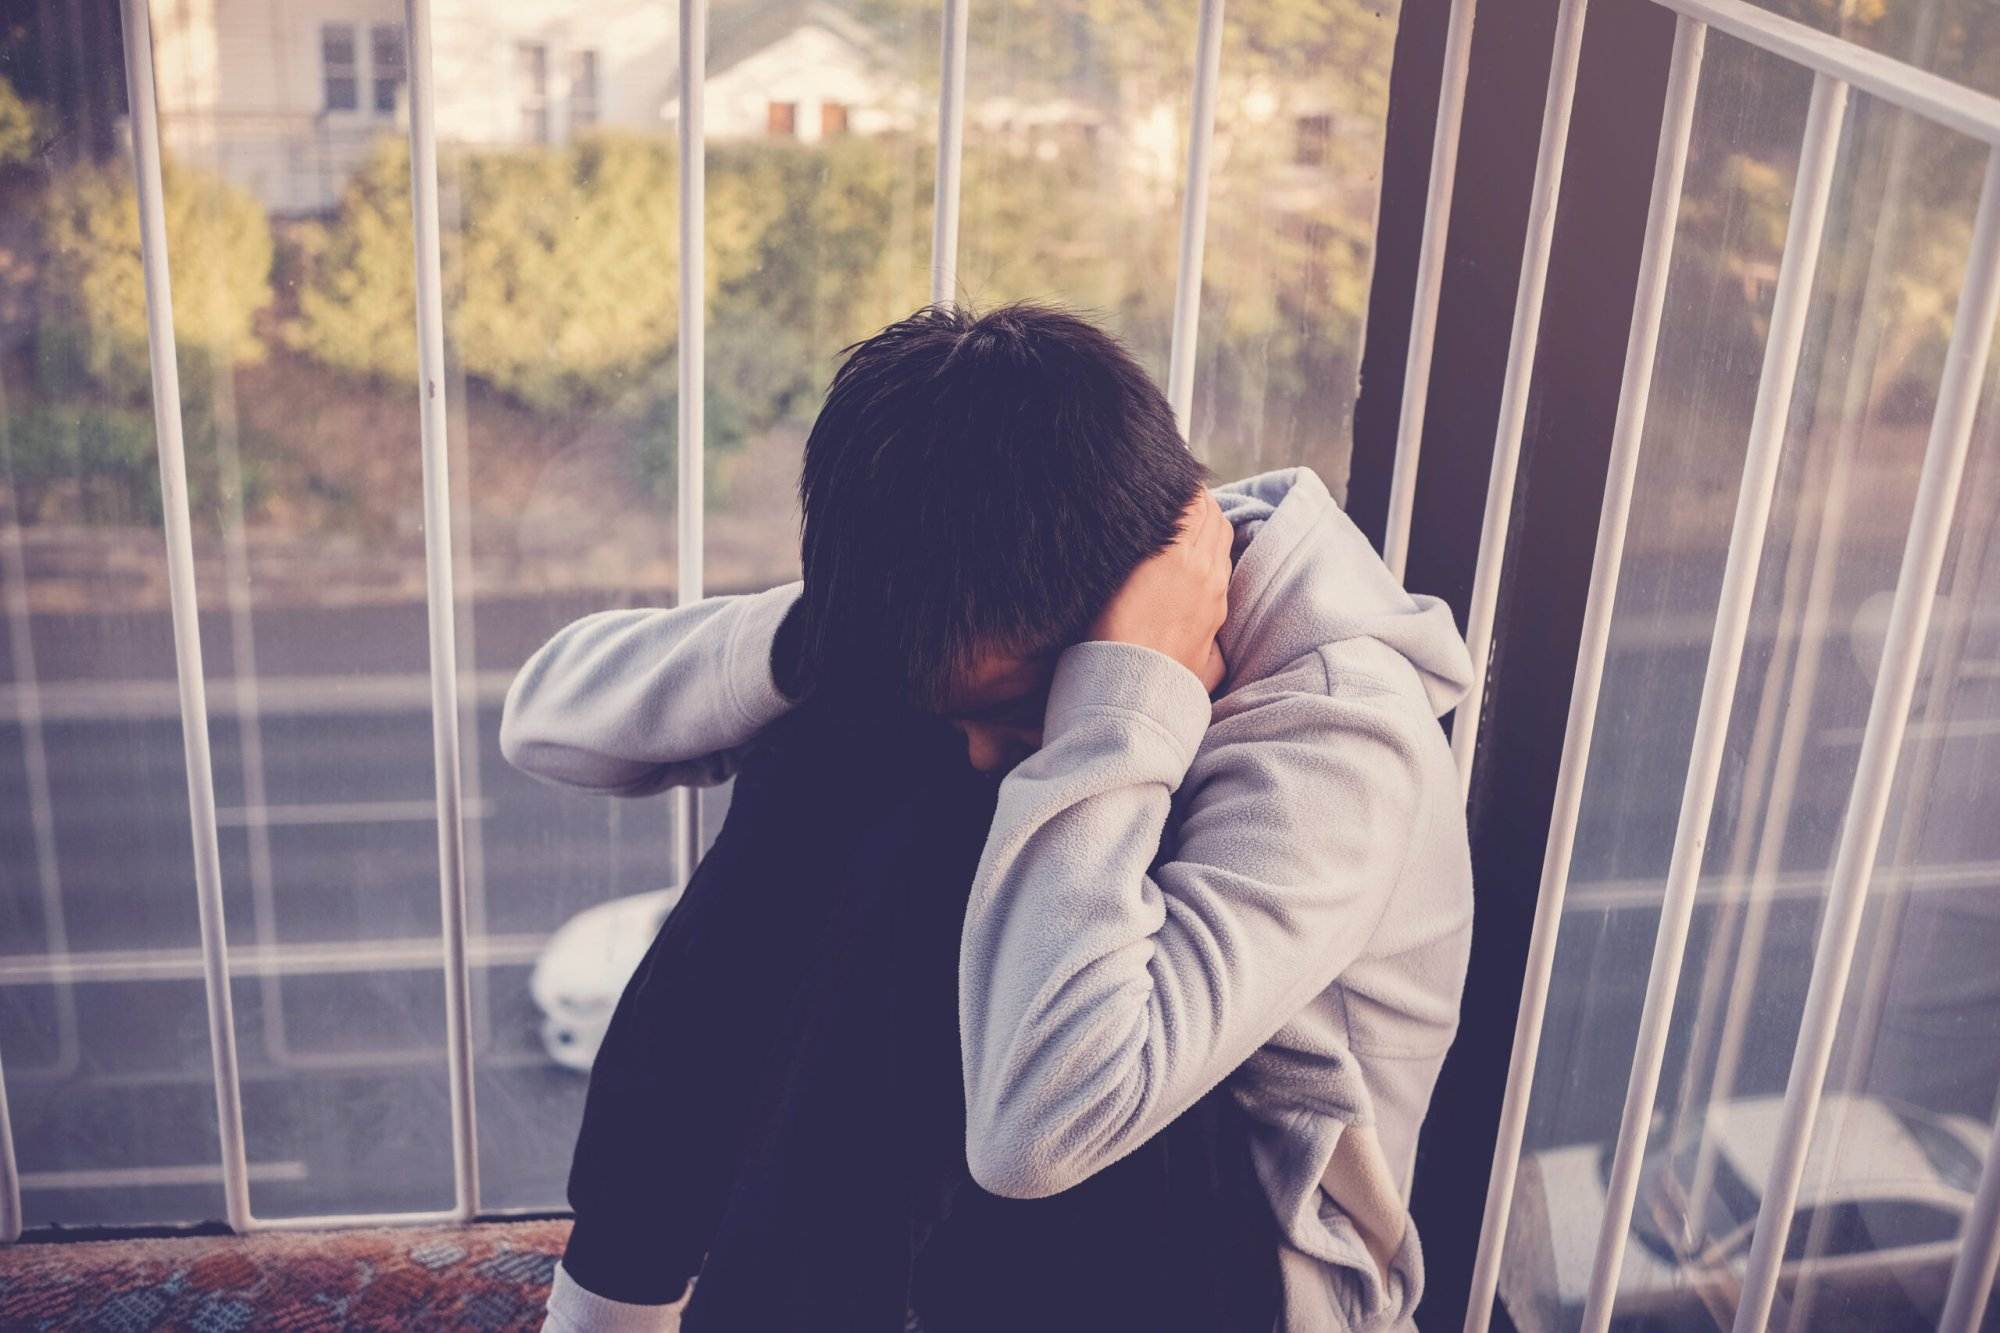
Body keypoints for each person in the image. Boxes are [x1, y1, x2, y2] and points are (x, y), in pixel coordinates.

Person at [502, 303, 1475, 1332]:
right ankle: (610, 1309)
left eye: (1012, 711)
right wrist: (823, 641)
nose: (980, 747)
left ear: (1127, 618)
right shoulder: (1007, 568)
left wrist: (1122, 697)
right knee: (841, 750)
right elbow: (549, 724)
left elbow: (1042, 1131)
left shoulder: (1332, 733)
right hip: (985, 1194)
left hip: (1233, 1262)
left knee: (916, 798)